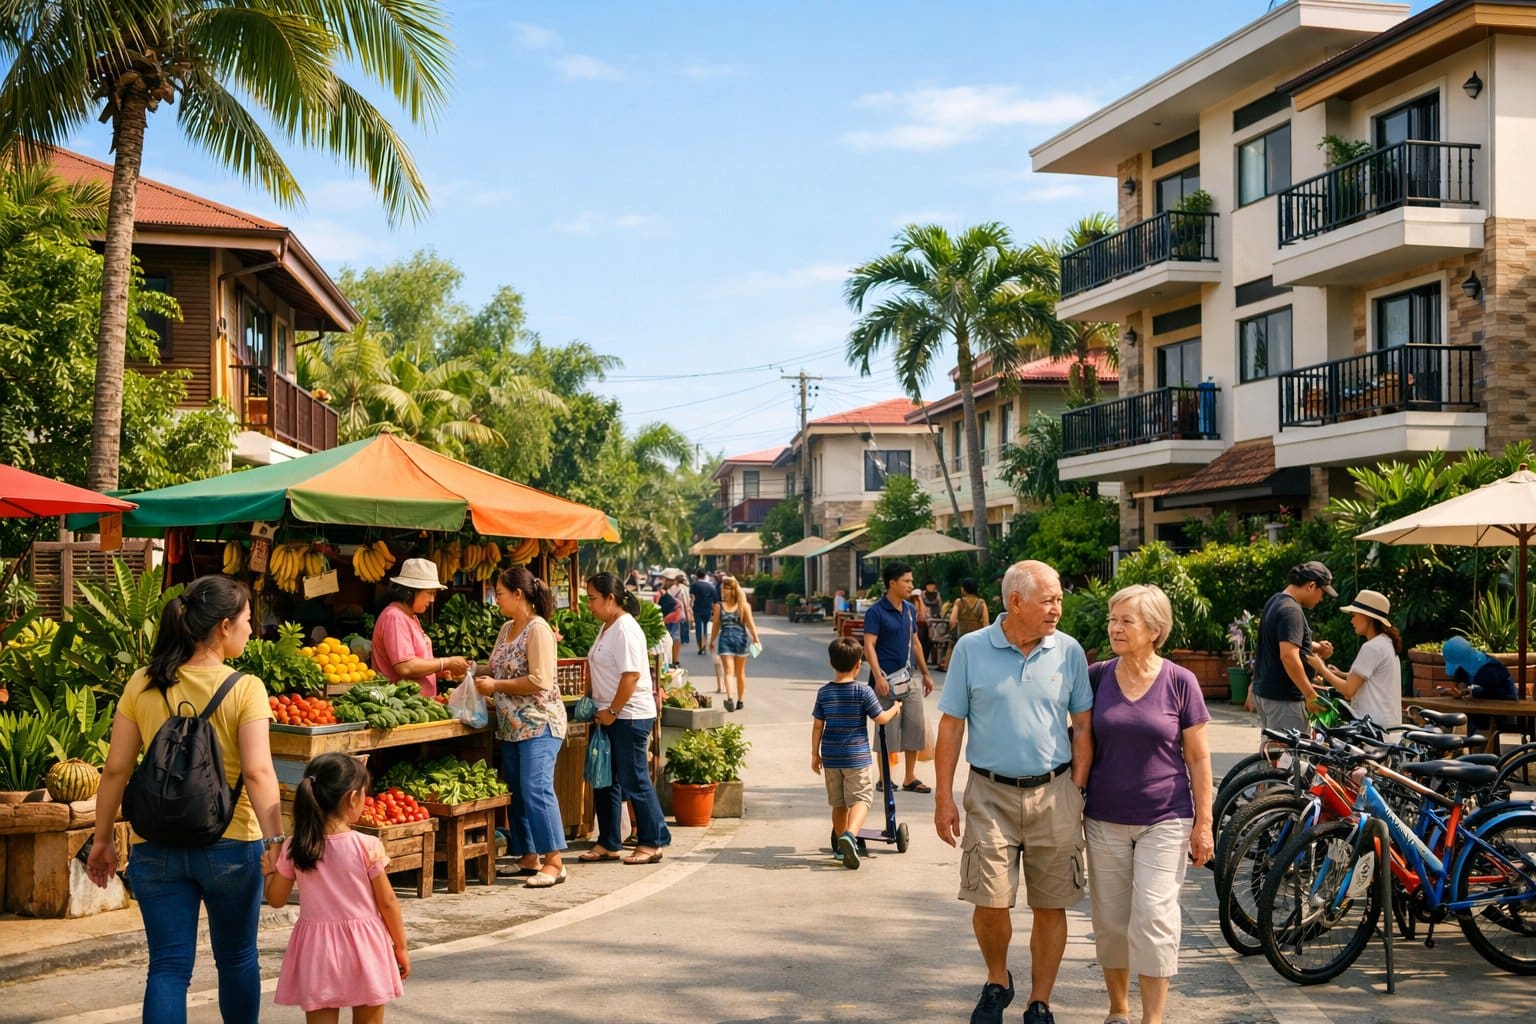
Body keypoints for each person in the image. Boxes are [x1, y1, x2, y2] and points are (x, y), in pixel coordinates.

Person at [85, 575, 282, 1024]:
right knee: (236, 959)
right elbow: (257, 771)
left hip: (156, 845)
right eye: (249, 620)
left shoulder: (143, 682)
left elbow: (116, 769)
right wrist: (275, 844)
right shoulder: (246, 688)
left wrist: (102, 839)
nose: (253, 629)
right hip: (232, 844)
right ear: (225, 627)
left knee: (169, 969)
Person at [934, 560, 1093, 1024]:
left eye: (1059, 599)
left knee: (1051, 903)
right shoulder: (970, 649)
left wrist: (1077, 789)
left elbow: (1083, 724)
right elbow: (951, 726)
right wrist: (944, 797)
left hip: (1055, 790)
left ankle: (1040, 1000)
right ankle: (997, 979)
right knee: (988, 901)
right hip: (989, 794)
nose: (1057, 608)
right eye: (1049, 600)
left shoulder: (1068, 652)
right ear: (1015, 602)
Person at [1084, 585, 1213, 1024]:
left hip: (1166, 816)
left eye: (1126, 621)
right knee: (1112, 920)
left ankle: (1152, 1019)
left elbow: (1197, 758)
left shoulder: (1181, 681)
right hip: (1103, 816)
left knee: (1154, 916)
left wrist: (1204, 823)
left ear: (1154, 630)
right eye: (1112, 619)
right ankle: (1118, 1010)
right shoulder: (1097, 675)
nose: (1115, 628)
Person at [264, 753, 408, 1021]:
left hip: (317, 951)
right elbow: (388, 902)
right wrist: (400, 946)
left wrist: (270, 871)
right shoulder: (367, 846)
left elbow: (275, 899)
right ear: (352, 798)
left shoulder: (295, 846)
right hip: (366, 947)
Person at [476, 566, 567, 887]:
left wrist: (496, 685)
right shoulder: (506, 628)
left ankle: (554, 861)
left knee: (536, 788)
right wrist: (468, 668)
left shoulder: (538, 630)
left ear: (518, 595)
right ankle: (529, 856)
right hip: (511, 726)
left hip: (539, 723)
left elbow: (539, 680)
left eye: (499, 593)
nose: (495, 599)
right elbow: (497, 665)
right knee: (517, 791)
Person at [579, 572, 671, 865]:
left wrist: (612, 711)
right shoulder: (607, 627)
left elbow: (631, 675)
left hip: (629, 715)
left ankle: (652, 841)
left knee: (634, 778)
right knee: (605, 779)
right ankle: (608, 841)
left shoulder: (625, 628)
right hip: (606, 715)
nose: (589, 605)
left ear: (611, 598)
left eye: (593, 599)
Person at [812, 637, 902, 869]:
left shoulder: (823, 693)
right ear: (858, 665)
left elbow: (817, 726)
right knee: (861, 798)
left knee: (839, 803)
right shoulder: (863, 691)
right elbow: (880, 718)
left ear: (831, 663)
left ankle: (842, 850)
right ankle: (850, 836)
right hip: (856, 757)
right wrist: (895, 708)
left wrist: (815, 754)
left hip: (831, 756)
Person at [863, 560, 935, 793]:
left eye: (911, 580)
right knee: (887, 730)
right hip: (885, 680)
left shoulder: (910, 610)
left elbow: (915, 643)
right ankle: (885, 778)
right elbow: (869, 645)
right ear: (892, 583)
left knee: (915, 726)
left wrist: (925, 673)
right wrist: (878, 676)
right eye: (906, 581)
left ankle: (910, 777)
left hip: (909, 677)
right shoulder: (876, 612)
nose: (911, 585)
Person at [1248, 560, 1336, 743]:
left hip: (1266, 692)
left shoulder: (1276, 601)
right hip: (1283, 698)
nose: (1321, 599)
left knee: (1274, 755)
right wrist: (1310, 693)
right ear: (1311, 586)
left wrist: (1317, 647)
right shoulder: (1291, 611)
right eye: (1322, 593)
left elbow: (1283, 641)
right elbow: (1288, 656)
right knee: (1289, 760)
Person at [370, 557, 470, 698]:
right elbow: (405, 667)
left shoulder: (411, 616)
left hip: (418, 706)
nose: (432, 599)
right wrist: (446, 662)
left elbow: (416, 660)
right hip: (402, 708)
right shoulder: (394, 617)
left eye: (434, 594)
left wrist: (441, 670)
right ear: (410, 592)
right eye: (429, 593)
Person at [1305, 589, 1403, 728]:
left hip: (1373, 728)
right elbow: (1372, 679)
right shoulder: (1386, 642)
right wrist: (1341, 674)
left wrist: (1321, 668)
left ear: (1368, 617)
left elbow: (1348, 690)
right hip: (1385, 724)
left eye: (1354, 615)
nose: (1352, 621)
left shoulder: (1372, 648)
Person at [1441, 634, 1519, 742]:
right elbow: (1458, 683)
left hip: (1504, 710)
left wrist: (1465, 692)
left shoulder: (1492, 669)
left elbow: (1480, 691)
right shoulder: (1465, 666)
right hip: (1479, 711)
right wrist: (1455, 691)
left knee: (1501, 741)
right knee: (1474, 730)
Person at [710, 575, 761, 712]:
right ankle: (740, 701)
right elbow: (750, 624)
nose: (721, 591)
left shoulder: (718, 606)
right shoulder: (744, 606)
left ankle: (730, 698)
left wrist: (712, 640)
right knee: (740, 673)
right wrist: (756, 638)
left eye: (722, 589)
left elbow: (716, 626)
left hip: (725, 639)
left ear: (726, 590)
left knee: (728, 671)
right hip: (741, 640)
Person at [947, 577, 989, 670]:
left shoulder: (959, 602)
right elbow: (986, 624)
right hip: (977, 638)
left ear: (963, 589)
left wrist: (952, 630)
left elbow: (952, 621)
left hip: (962, 637)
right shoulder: (981, 602)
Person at [656, 569, 691, 666]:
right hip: (673, 616)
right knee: (673, 638)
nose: (667, 581)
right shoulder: (681, 588)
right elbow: (686, 602)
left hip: (671, 617)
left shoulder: (664, 590)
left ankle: (673, 660)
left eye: (669, 580)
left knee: (673, 638)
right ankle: (673, 660)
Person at [690, 569, 719, 656]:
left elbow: (692, 596)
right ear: (705, 575)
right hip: (707, 610)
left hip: (697, 609)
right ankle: (704, 646)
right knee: (705, 629)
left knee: (698, 629)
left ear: (697, 575)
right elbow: (715, 600)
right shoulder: (711, 586)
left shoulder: (694, 585)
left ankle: (700, 648)